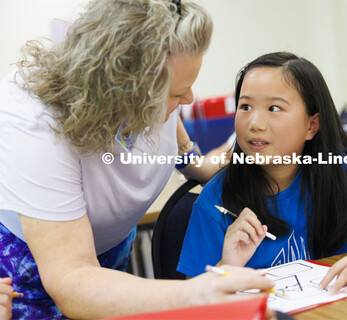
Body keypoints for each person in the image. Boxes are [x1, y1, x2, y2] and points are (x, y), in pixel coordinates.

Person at [0, 1, 274, 319]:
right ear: (120, 92)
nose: (189, 99)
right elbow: (72, 281)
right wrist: (197, 294)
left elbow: (171, 121)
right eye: (175, 94)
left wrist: (192, 161)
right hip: (31, 277)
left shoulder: (153, 84)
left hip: (108, 258)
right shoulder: (35, 123)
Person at [177, 52, 347, 295]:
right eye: (245, 106)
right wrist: (227, 266)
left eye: (274, 108)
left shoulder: (337, 171)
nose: (254, 123)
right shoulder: (215, 200)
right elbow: (192, 301)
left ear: (311, 125)